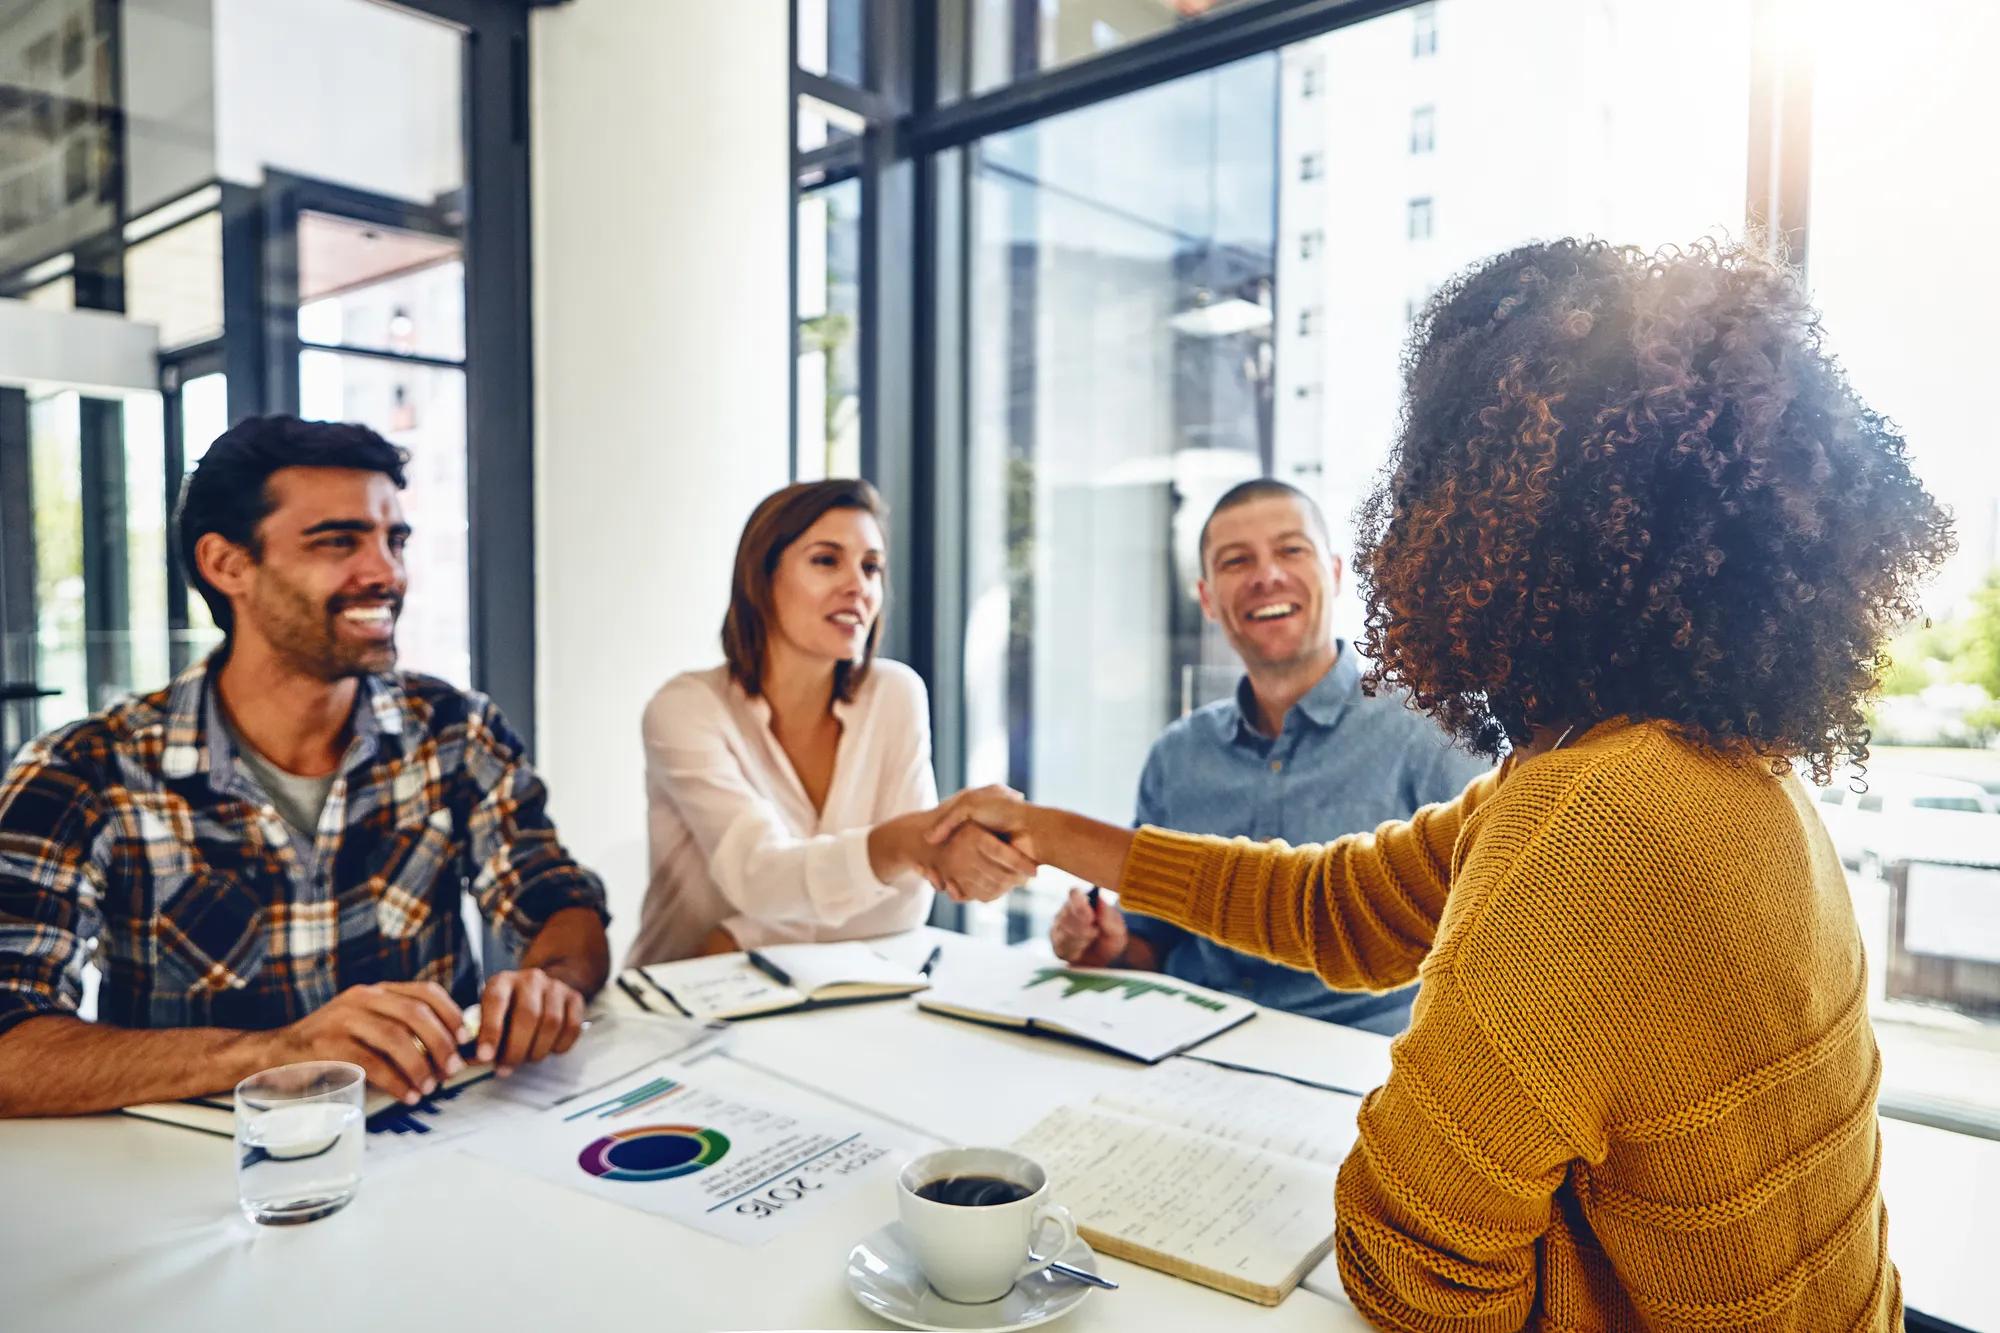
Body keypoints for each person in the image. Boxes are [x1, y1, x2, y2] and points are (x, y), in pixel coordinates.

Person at [930, 240, 1945, 1326]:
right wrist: (1042, 828)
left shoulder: (1591, 825)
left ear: (1486, 526)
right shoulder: (1705, 767)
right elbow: (1335, 908)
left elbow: (1408, 1254)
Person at [0, 416, 611, 1118]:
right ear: (227, 564)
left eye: (394, 539)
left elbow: (557, 899)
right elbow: (10, 1043)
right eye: (339, 541)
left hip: (439, 1155)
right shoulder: (83, 772)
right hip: (207, 1187)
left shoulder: (453, 730)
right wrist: (276, 1053)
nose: (386, 572)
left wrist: (549, 981)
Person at [1048, 478, 1487, 1033]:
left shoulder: (1432, 736)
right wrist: (1109, 944)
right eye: (1236, 561)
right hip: (1190, 1050)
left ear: (1333, 572)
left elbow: (1489, 944)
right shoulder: (1177, 756)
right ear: (1208, 598)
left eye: (1290, 550)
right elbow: (1150, 946)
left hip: (1354, 1066)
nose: (1266, 576)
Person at [627, 479, 1031, 965]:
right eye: (826, 560)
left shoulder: (895, 695)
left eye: (871, 568)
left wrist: (740, 937)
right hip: (681, 1009)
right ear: (761, 577)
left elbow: (904, 906)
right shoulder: (686, 710)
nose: (858, 586)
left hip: (830, 1002)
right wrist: (898, 845)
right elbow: (756, 878)